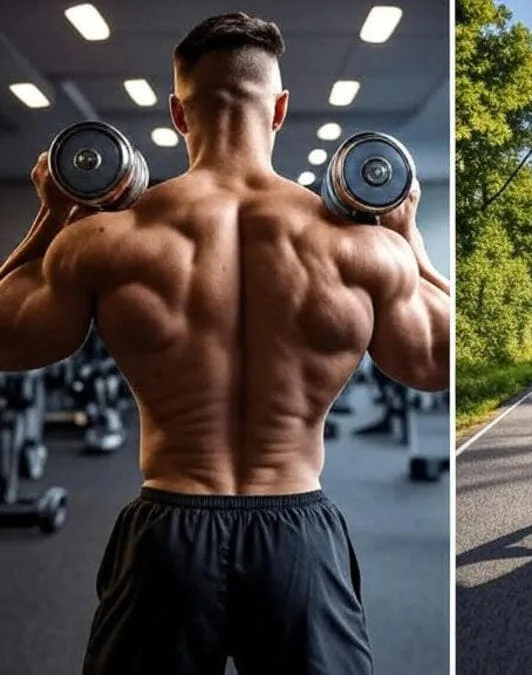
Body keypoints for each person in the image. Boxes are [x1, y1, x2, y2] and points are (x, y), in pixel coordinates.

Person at [0, 12, 450, 675]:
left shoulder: (108, 239)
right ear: (280, 110)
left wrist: (52, 213)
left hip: (168, 532)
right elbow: (437, 361)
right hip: (299, 533)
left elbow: (9, 340)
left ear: (178, 113)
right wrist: (407, 234)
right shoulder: (359, 246)